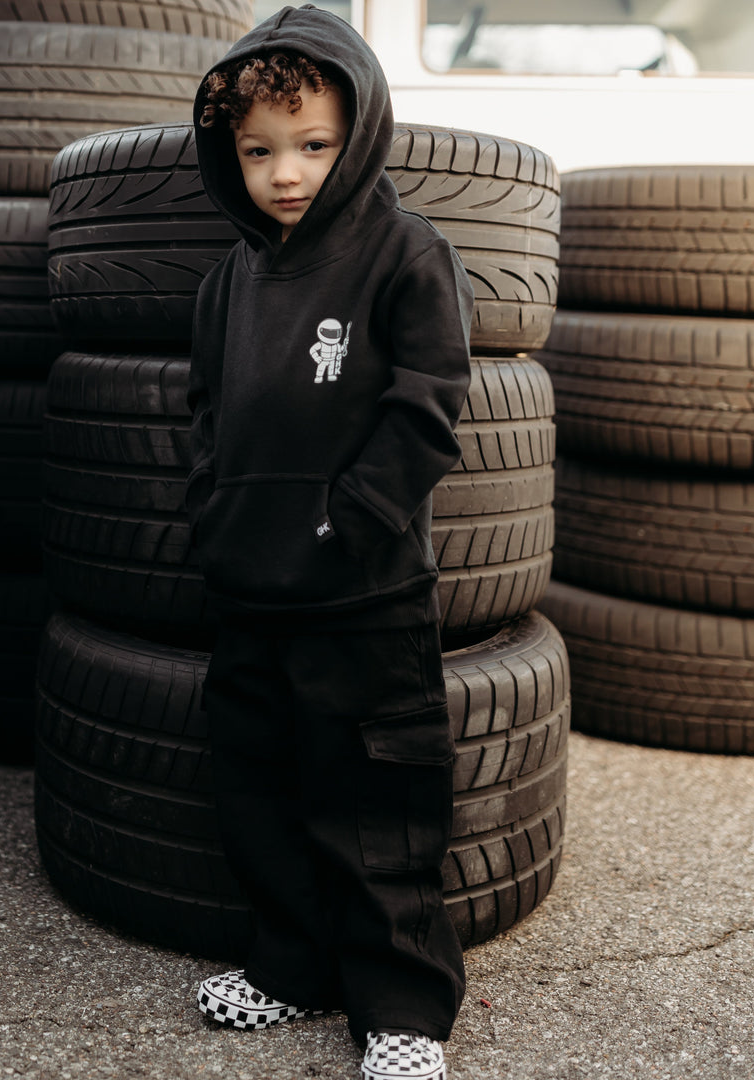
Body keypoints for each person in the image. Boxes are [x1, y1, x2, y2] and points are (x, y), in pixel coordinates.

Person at [185, 6, 474, 1080]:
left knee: (378, 813)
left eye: (312, 145)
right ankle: (288, 968)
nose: (286, 174)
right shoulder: (227, 284)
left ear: (359, 130)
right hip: (249, 596)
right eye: (258, 152)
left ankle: (402, 1009)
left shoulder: (407, 254)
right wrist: (212, 515)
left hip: (364, 602)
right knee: (257, 796)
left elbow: (429, 407)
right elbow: (206, 413)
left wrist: (346, 521)